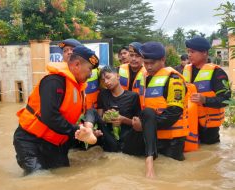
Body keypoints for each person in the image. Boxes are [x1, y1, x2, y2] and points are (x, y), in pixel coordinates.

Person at [13, 46, 99, 175]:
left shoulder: (79, 88)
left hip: (55, 145)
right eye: (89, 69)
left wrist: (88, 128)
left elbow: (89, 111)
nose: (91, 74)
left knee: (64, 174)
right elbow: (50, 116)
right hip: (31, 141)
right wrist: (77, 131)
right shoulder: (54, 82)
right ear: (77, 64)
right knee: (39, 177)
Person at [84, 66, 155, 178]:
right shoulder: (102, 94)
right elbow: (100, 117)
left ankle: (149, 159)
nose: (106, 82)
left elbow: (137, 124)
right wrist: (107, 118)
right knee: (91, 111)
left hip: (127, 140)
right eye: (103, 80)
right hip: (110, 139)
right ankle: (88, 131)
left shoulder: (133, 96)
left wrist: (123, 120)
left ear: (117, 76)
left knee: (147, 114)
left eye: (108, 77)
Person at [132, 41, 189, 178]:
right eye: (146, 63)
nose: (148, 66)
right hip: (154, 137)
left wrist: (145, 126)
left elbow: (174, 113)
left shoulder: (173, 79)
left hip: (172, 141)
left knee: (173, 177)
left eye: (152, 63)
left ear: (163, 60)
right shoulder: (145, 78)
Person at [183, 36, 231, 144]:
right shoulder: (185, 70)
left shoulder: (217, 73)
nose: (189, 55)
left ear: (204, 52)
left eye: (193, 51)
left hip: (208, 130)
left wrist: (205, 100)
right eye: (188, 52)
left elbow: (226, 100)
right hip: (189, 124)